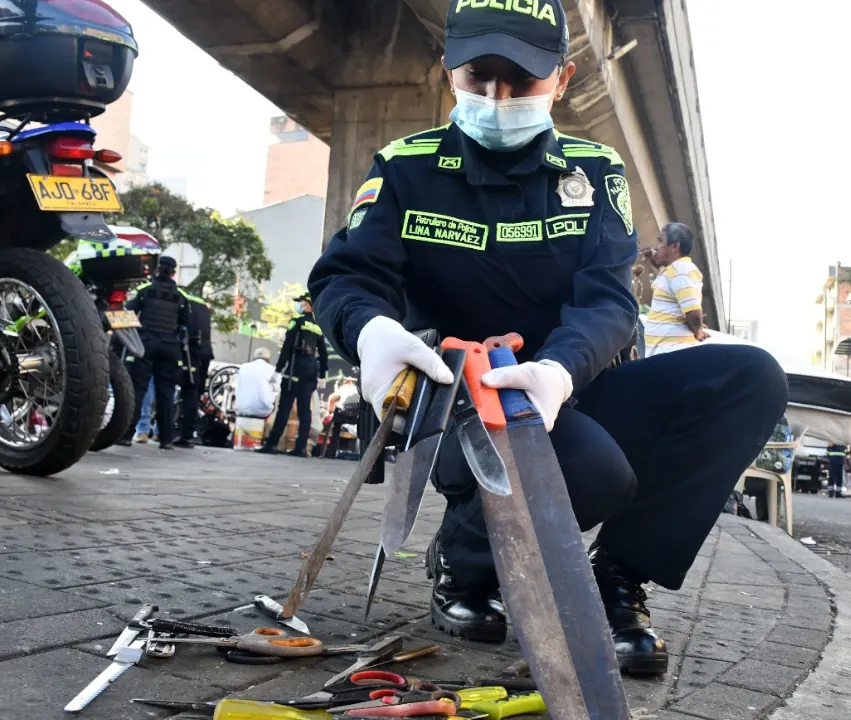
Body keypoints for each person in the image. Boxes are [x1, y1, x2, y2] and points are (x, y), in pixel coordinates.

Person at [305, 0, 788, 677]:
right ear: (449, 74)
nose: (499, 99)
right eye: (479, 78)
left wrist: (559, 370)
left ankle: (618, 577)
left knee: (749, 378)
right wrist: (371, 331)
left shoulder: (594, 173)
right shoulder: (404, 168)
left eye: (522, 81)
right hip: (460, 405)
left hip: (566, 386)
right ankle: (464, 564)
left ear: (561, 80)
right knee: (590, 473)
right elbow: (346, 276)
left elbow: (609, 301)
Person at [119, 255, 190, 450]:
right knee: (166, 393)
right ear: (174, 273)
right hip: (170, 347)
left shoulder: (144, 291)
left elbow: (127, 314)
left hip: (145, 344)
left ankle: (126, 435)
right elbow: (185, 325)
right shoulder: (181, 297)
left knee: (138, 390)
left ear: (157, 269)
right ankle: (166, 439)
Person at [257, 294, 328, 457]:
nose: (300, 305)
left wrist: (278, 369)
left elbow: (288, 346)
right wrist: (322, 374)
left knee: (284, 408)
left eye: (302, 302)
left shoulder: (297, 321)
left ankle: (272, 444)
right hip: (311, 369)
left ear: (309, 304)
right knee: (305, 411)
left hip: (296, 368)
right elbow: (323, 354)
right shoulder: (318, 326)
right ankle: (301, 448)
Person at [641, 223, 708, 356]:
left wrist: (698, 331)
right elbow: (659, 262)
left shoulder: (681, 269)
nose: (656, 247)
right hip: (665, 354)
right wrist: (651, 255)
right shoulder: (673, 270)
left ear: (675, 246)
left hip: (671, 353)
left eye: (660, 241)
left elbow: (693, 312)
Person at [175, 292, 213, 447]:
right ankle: (188, 433)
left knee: (189, 392)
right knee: (196, 393)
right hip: (205, 350)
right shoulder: (201, 304)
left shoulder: (182, 301)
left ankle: (185, 435)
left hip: (191, 352)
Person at [235, 347, 281, 419]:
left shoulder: (243, 367)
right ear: (268, 360)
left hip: (241, 408)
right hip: (263, 411)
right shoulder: (273, 370)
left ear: (254, 358)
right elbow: (278, 389)